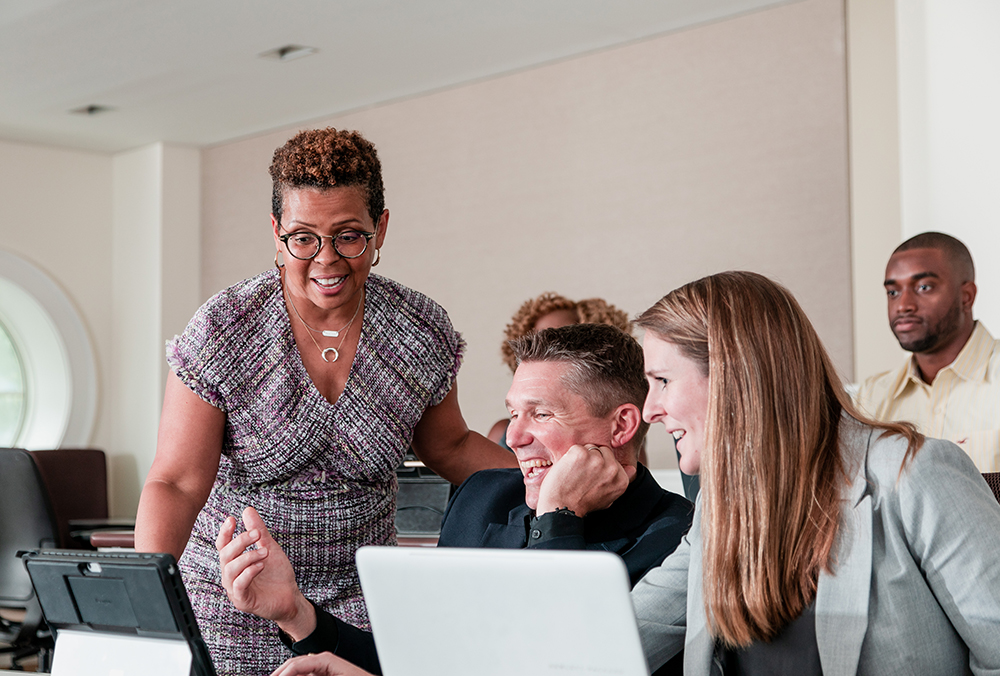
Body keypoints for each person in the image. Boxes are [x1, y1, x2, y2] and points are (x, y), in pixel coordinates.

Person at [133, 128, 515, 676]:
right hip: (232, 603)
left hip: (360, 611)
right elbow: (177, 481)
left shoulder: (418, 329)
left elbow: (450, 446)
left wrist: (546, 476)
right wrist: (152, 602)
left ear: (381, 227)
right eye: (304, 238)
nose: (326, 259)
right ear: (276, 230)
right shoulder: (225, 328)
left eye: (349, 236)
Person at [217, 324, 693, 676]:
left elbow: (550, 665)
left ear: (622, 426)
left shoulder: (677, 539)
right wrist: (295, 612)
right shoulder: (482, 497)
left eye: (542, 414)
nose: (516, 436)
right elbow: (418, 662)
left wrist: (558, 516)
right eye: (513, 413)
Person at [625, 271, 1000, 675]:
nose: (650, 411)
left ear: (735, 376)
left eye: (662, 381)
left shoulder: (913, 472)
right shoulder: (720, 503)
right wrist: (557, 515)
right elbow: (622, 636)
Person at [855, 231, 1000, 471]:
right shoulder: (872, 398)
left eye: (923, 287)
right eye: (893, 292)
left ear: (966, 296)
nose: (903, 305)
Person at [489, 292, 631, 446]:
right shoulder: (502, 434)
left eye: (562, 344)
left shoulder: (619, 428)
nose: (546, 351)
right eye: (536, 342)